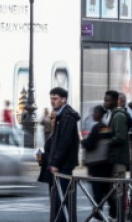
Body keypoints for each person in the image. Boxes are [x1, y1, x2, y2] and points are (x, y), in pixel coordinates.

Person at [44, 87, 80, 222]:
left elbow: (64, 141)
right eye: (51, 99)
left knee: (62, 199)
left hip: (63, 165)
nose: (52, 102)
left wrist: (55, 162)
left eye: (55, 99)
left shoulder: (67, 116)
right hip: (61, 163)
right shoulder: (61, 115)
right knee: (59, 199)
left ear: (63, 99)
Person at [81, 105, 113, 219]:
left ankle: (98, 215)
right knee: (106, 190)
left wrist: (82, 140)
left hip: (97, 165)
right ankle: (112, 213)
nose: (93, 115)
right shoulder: (106, 127)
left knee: (98, 191)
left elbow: (89, 145)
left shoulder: (96, 127)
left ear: (100, 114)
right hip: (106, 163)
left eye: (95, 112)